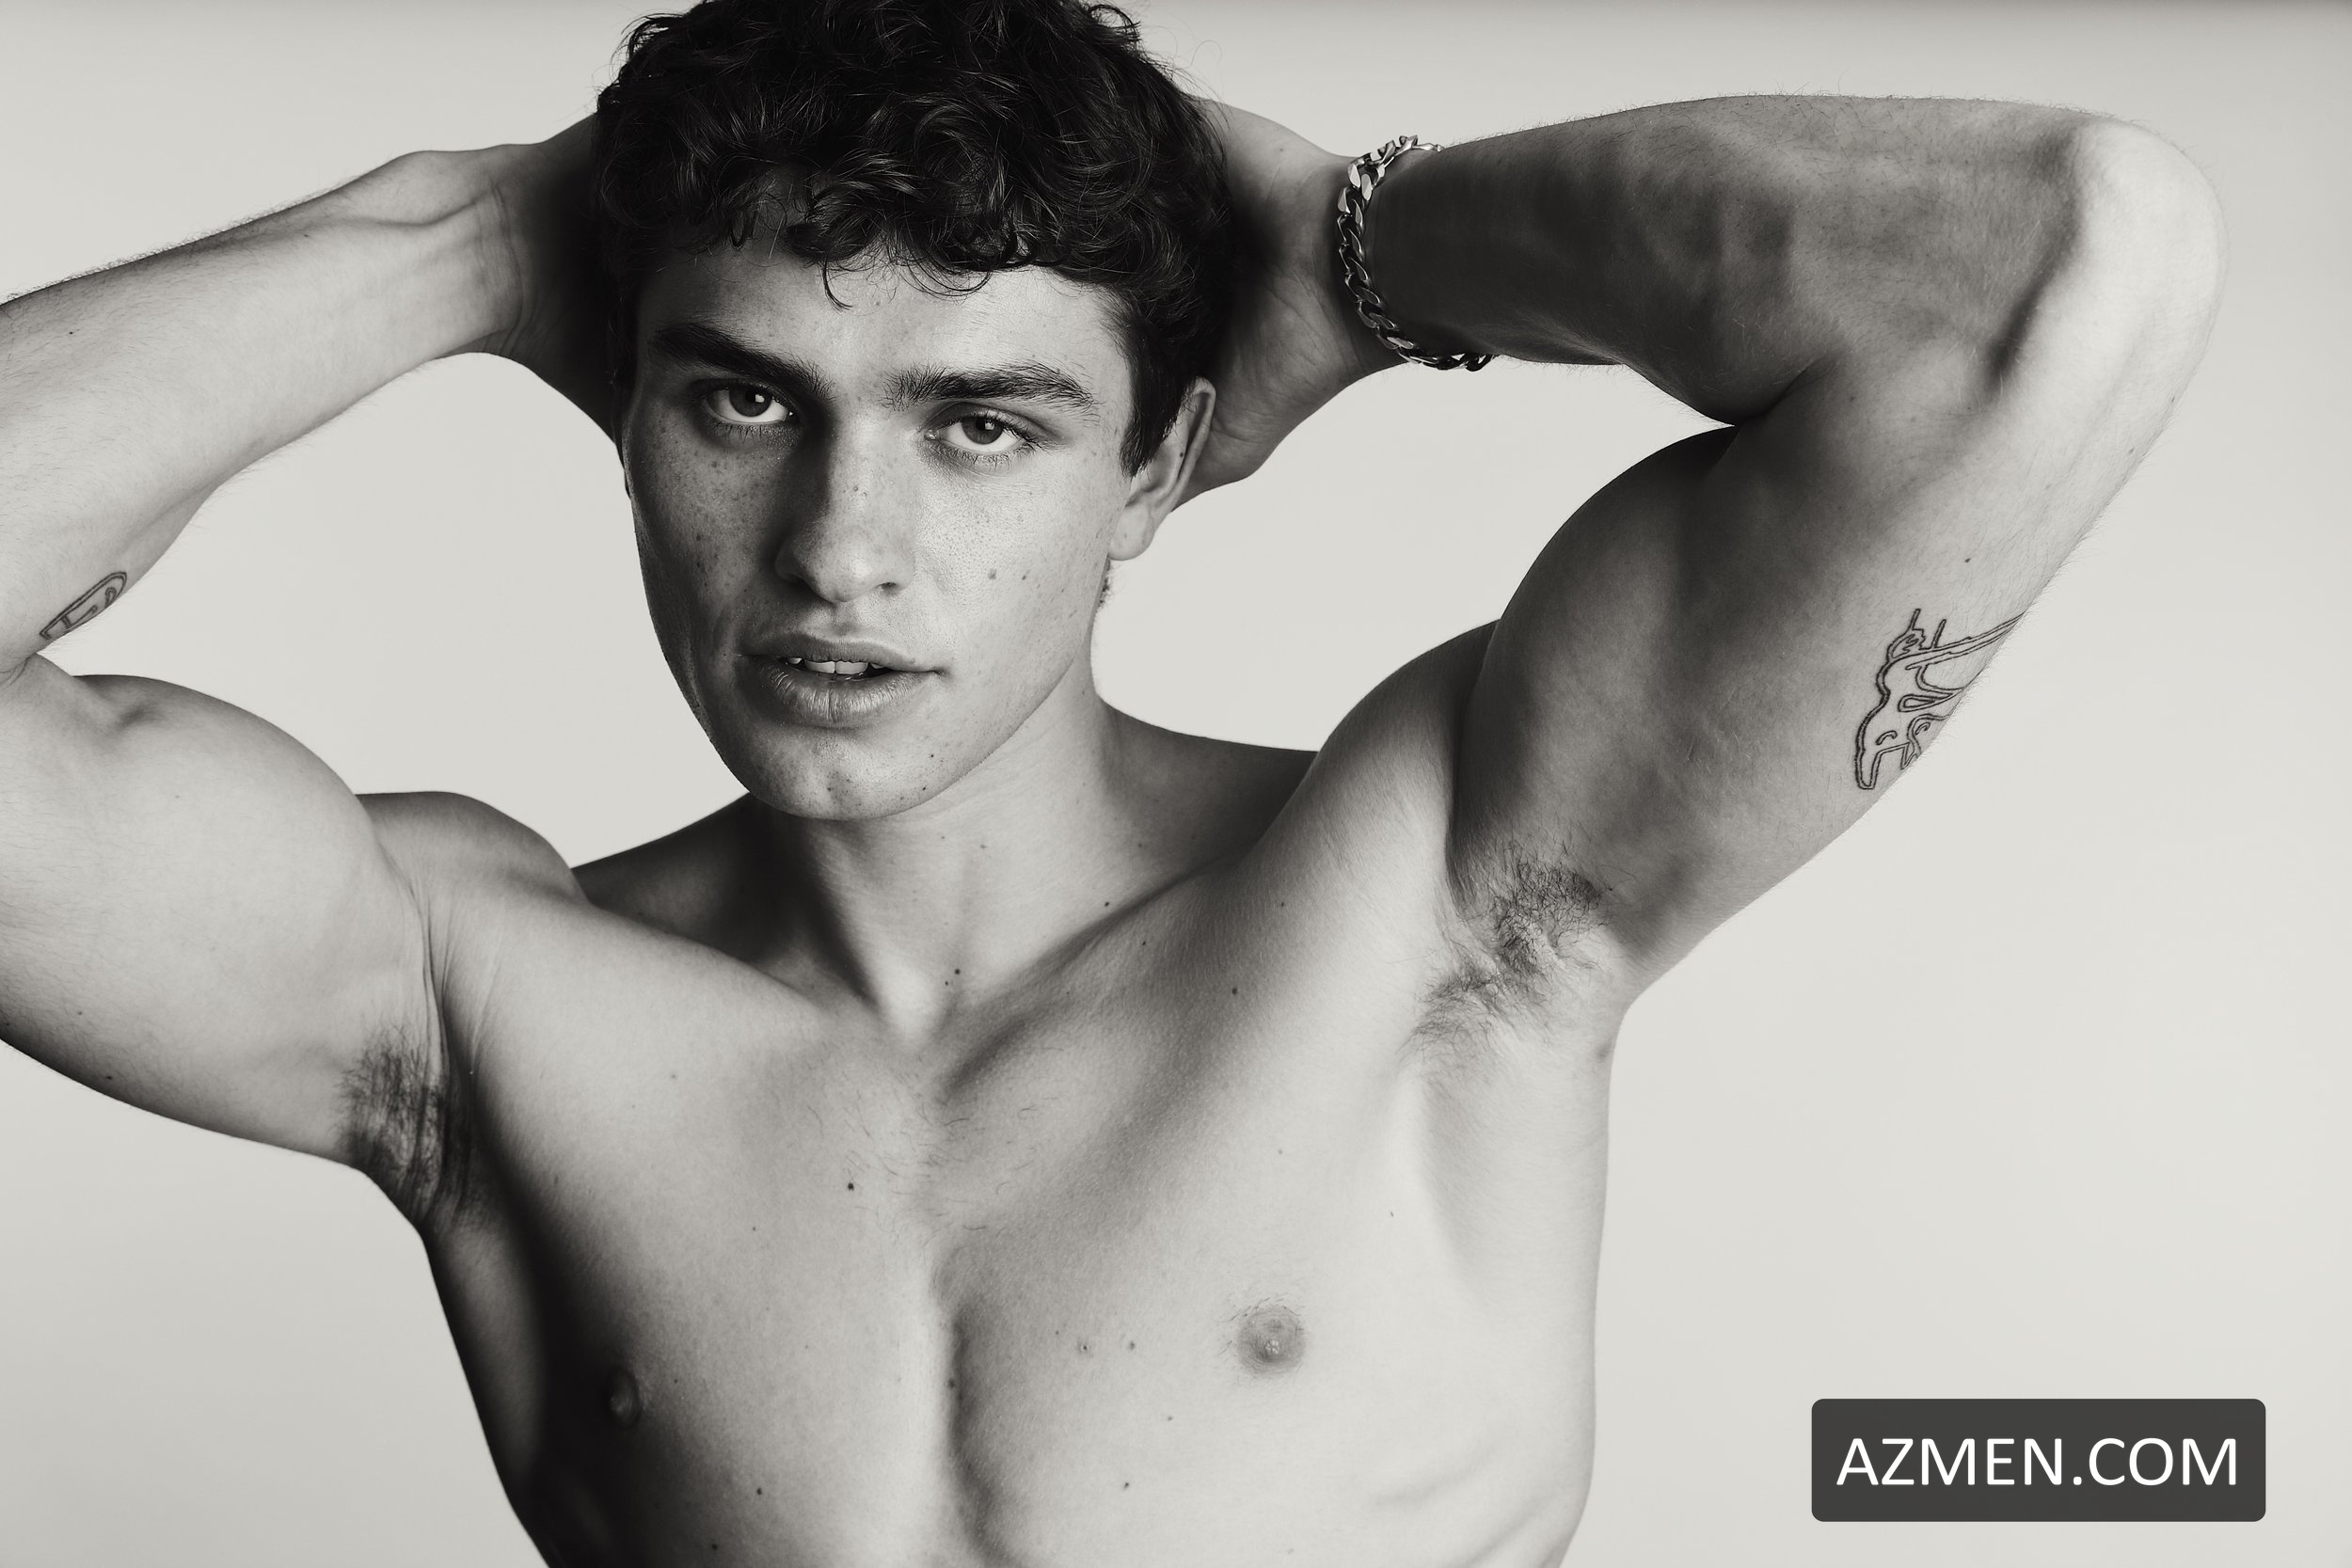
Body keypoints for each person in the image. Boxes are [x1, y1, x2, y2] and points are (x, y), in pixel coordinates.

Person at [0, 0, 2220, 1560]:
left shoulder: (1446, 901)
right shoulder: (472, 1000)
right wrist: (480, 236)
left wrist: (1362, 252)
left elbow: (2064, 262)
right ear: (628, 408)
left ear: (1155, 463)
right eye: (743, 400)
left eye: (982, 423)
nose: (840, 549)